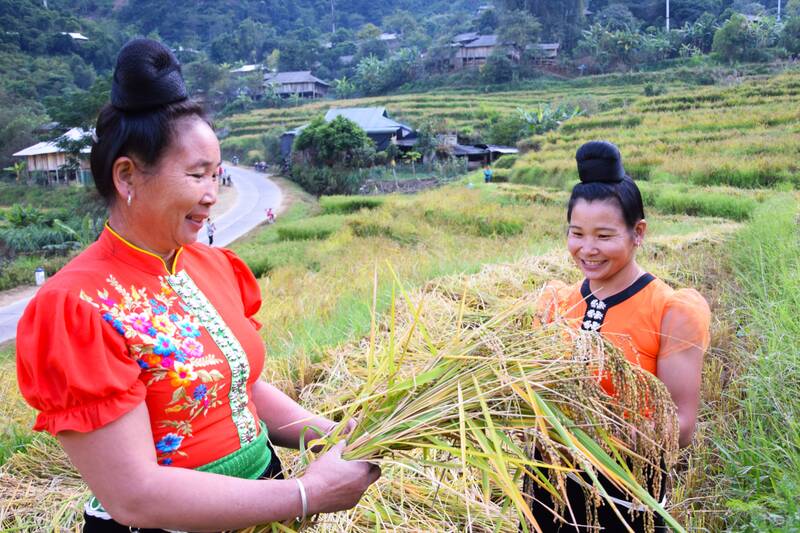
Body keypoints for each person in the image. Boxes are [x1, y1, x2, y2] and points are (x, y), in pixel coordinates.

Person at [15, 38, 379, 533]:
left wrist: (330, 434)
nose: (212, 195)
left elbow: (237, 387)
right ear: (127, 176)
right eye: (196, 175)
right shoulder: (75, 306)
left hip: (262, 504)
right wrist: (305, 493)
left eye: (217, 175)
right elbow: (136, 496)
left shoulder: (211, 266)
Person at [526, 140, 710, 532]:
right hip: (548, 486)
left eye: (604, 236)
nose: (587, 249)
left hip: (623, 496)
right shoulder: (555, 304)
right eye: (577, 233)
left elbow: (681, 424)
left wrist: (598, 431)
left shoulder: (670, 311)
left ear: (637, 232)